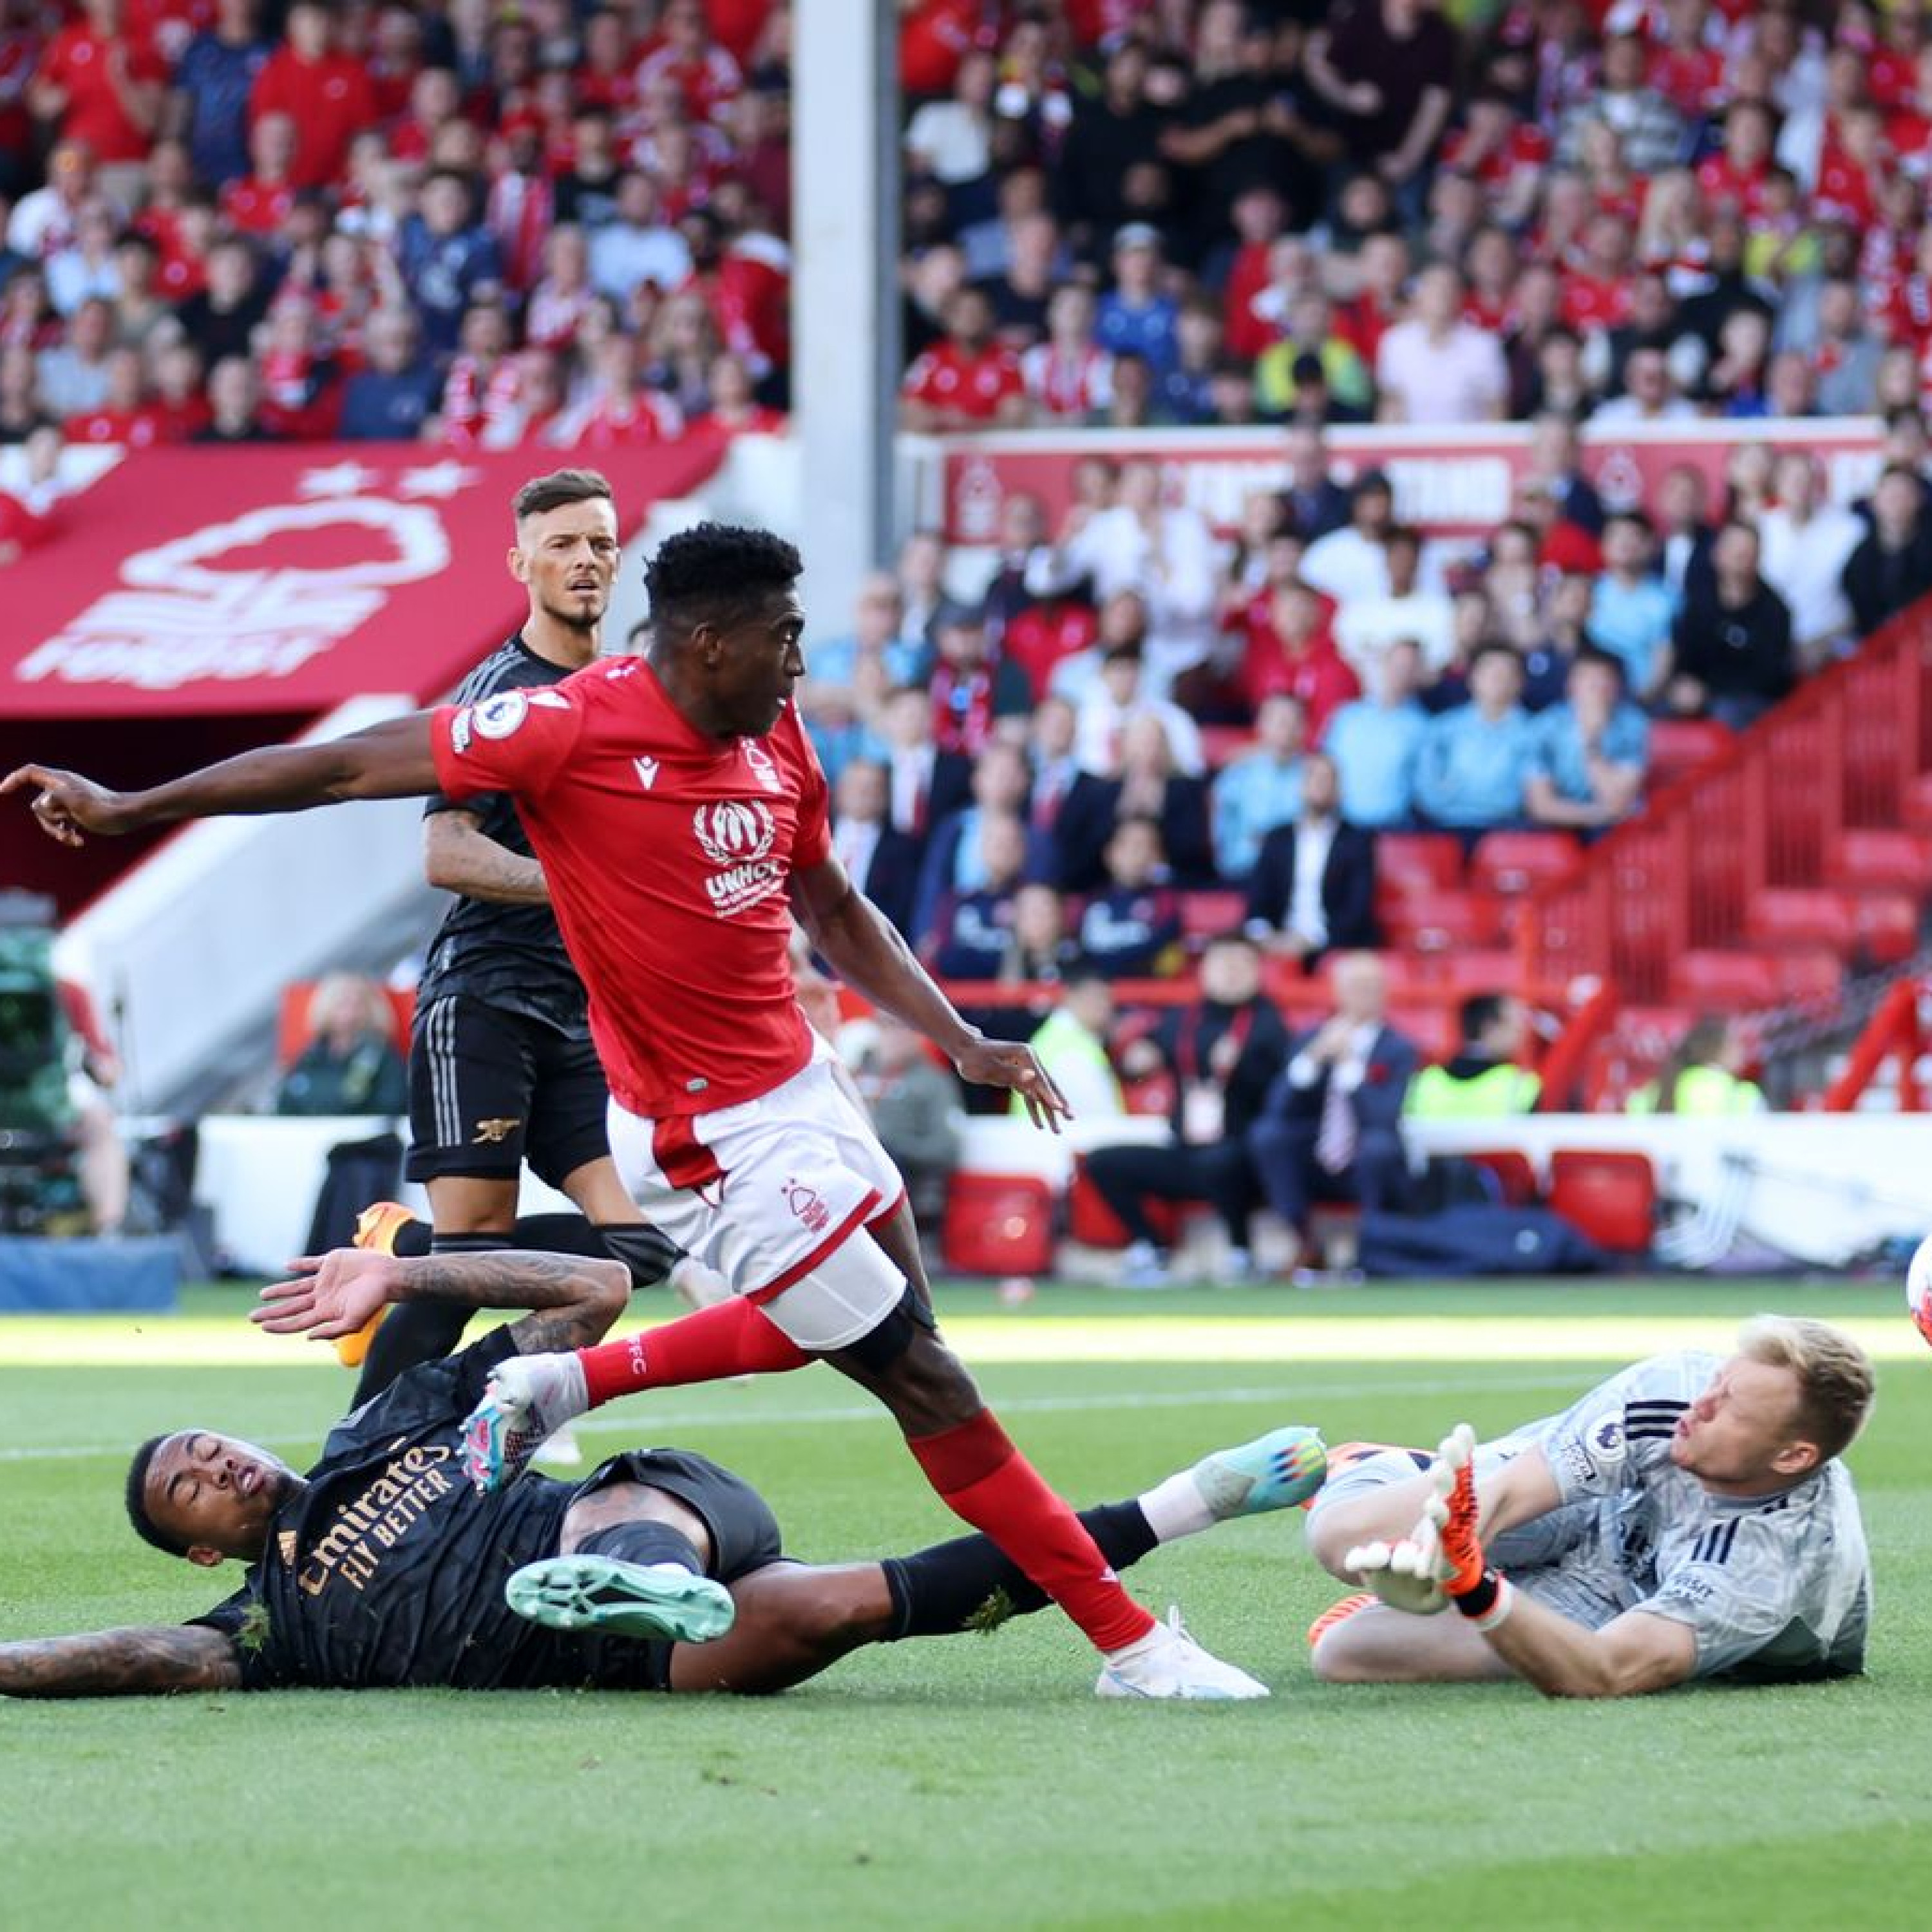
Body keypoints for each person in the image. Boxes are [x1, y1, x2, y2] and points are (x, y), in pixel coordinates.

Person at [5, 520, 1264, 1700]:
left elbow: (832, 905)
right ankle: (1134, 1646)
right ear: (708, 643)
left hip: (805, 1091)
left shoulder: (777, 732)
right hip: (705, 1139)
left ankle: (568, 1383)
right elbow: (340, 765)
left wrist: (959, 1038)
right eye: (783, 637)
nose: (800, 661)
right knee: (926, 1384)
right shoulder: (564, 728)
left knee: (888, 1332)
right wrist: (134, 806)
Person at [0, 1244, 1327, 1698]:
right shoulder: (263, 1627)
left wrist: (409, 1273)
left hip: (660, 1504)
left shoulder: (385, 1427)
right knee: (839, 1608)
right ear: (201, 1548)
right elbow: (130, 1658)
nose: (220, 1463)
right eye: (192, 1484)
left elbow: (592, 1289)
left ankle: (626, 1573)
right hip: (628, 1666)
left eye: (211, 1442)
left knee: (606, 1509)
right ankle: (1190, 1503)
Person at [330, 472, 676, 1411]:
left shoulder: (632, 696)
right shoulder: (499, 695)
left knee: (645, 1244)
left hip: (582, 1016)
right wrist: (581, 888)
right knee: (470, 1262)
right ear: (521, 565)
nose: (585, 561)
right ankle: (352, 1466)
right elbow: (446, 852)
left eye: (600, 544)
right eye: (562, 545)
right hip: (483, 999)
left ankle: (409, 1257)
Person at [1303, 1316, 1873, 1696]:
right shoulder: (1677, 1385)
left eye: (1732, 1409)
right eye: (1718, 1382)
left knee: (1345, 1654)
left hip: (1624, 1608)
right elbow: (1510, 1493)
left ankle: (1454, 1583)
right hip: (1599, 1502)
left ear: (1793, 1457)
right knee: (1339, 1536)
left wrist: (1472, 1585)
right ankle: (1374, 1464)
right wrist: (1444, 1547)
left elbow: (1606, 1670)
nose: (1699, 1406)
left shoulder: (1770, 1566)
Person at [1079, 933, 1290, 1287]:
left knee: (1222, 1161)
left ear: (1257, 971)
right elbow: (1136, 1063)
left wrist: (1243, 1068)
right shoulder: (1184, 1019)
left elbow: (1282, 1087)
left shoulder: (1269, 1023)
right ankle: (1151, 1247)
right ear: (1204, 970)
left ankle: (1241, 1251)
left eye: (1240, 964)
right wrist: (1133, 1060)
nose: (1230, 973)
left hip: (1247, 1156)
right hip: (1188, 1149)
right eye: (1222, 963)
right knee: (1103, 1162)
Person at [1246, 952, 1417, 1266]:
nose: (1363, 995)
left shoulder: (1398, 1048)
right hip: (1317, 1152)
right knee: (1269, 1135)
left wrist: (1351, 1069)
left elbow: (1383, 1117)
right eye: (1355, 986)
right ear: (1337, 992)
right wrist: (1311, 1062)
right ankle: (1302, 1243)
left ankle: (1373, 1247)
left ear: (1384, 993)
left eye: (1370, 987)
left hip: (1367, 1157)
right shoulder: (1310, 1040)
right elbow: (1279, 1108)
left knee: (1378, 1147)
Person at [1242, 752, 1378, 965]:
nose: (1319, 785)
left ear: (1340, 791)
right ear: (1300, 786)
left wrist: (1312, 941)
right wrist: (1265, 937)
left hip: (1333, 947)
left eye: (1327, 779)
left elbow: (1357, 910)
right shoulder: (1276, 839)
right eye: (1313, 777)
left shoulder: (1357, 841)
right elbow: (1258, 898)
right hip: (1276, 944)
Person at [274, 974, 408, 1117]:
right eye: (341, 1004)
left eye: (358, 1005)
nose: (350, 1013)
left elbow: (392, 1105)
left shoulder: (381, 1056)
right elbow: (286, 1103)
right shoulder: (310, 1056)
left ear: (371, 1009)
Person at [1405, 996, 1541, 1119]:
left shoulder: (1424, 1081)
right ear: (1490, 1027)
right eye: (1516, 1028)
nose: (1522, 1037)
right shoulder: (1522, 1085)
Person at [1626, 1016, 1765, 1116]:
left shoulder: (1657, 1087)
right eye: (1737, 1045)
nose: (1742, 1051)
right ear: (1721, 1049)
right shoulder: (1742, 1094)